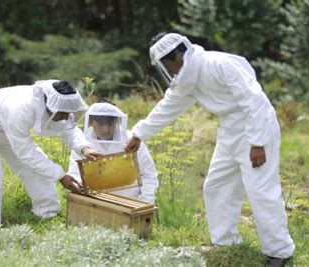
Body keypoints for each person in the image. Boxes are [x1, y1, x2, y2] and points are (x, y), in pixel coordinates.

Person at [125, 32, 294, 266]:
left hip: (256, 126)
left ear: (175, 58)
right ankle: (226, 242)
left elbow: (255, 101)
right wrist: (138, 134)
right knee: (216, 185)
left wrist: (258, 142)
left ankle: (279, 252)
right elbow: (168, 107)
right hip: (229, 130)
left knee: (260, 191)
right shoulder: (188, 80)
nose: (168, 70)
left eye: (165, 64)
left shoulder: (219, 64)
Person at [0, 79, 102, 225]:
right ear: (50, 106)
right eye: (63, 113)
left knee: (37, 168)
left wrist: (84, 147)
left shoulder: (58, 104)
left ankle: (47, 215)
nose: (66, 117)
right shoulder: (20, 108)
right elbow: (26, 153)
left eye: (69, 113)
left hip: (6, 127)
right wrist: (60, 176)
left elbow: (69, 128)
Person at [68, 98, 159, 203]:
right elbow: (75, 173)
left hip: (130, 202)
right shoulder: (82, 144)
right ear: (91, 122)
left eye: (110, 124)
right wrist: (79, 185)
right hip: (95, 204)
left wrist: (145, 202)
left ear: (116, 121)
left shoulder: (132, 140)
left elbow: (148, 173)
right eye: (101, 124)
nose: (105, 129)